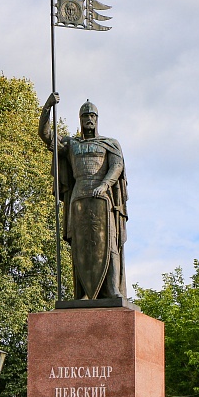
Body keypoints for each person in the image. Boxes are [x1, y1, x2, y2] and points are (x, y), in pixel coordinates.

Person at [38, 93, 128, 299]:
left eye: (92, 116)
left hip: (103, 199)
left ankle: (112, 289)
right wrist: (48, 107)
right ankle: (84, 292)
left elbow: (117, 166)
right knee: (80, 245)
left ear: (97, 119)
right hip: (79, 196)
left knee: (109, 244)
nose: (89, 119)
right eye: (85, 116)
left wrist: (104, 184)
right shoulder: (71, 144)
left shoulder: (110, 143)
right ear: (80, 119)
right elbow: (45, 134)